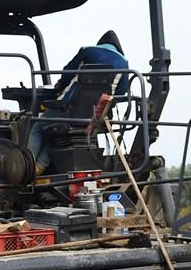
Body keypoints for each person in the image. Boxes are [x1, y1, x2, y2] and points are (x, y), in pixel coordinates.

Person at [29, 30, 131, 172]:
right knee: (58, 133)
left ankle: (27, 168)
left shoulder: (88, 51)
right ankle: (39, 166)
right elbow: (121, 91)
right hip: (96, 116)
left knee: (38, 127)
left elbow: (67, 72)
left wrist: (60, 86)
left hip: (67, 108)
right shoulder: (124, 63)